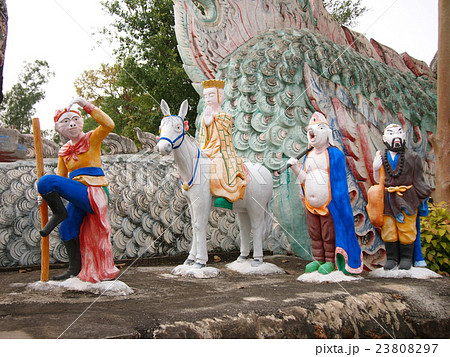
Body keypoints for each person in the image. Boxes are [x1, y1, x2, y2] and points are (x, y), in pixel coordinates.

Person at [37, 97, 119, 282]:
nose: (71, 124)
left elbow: (109, 124)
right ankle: (75, 270)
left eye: (75, 119)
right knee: (67, 229)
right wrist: (44, 196)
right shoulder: (64, 151)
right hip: (77, 195)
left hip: (93, 191)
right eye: (65, 122)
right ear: (59, 128)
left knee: (46, 181)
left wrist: (85, 105)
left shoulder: (92, 138)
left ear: (81, 121)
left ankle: (58, 214)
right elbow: (61, 179)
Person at [288, 112, 363, 275]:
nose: (312, 133)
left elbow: (338, 181)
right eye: (310, 130)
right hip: (311, 204)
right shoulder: (308, 155)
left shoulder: (334, 154)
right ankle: (318, 259)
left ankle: (330, 260)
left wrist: (333, 201)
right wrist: (295, 169)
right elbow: (304, 179)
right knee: (315, 233)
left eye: (318, 128)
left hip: (329, 204)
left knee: (328, 233)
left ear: (327, 133)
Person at [372, 124, 432, 270]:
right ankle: (392, 258)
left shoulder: (413, 157)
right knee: (389, 228)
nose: (396, 137)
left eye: (399, 133)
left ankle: (406, 258)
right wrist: (375, 168)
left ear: (403, 137)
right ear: (385, 138)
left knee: (407, 228)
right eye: (391, 134)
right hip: (387, 199)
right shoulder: (381, 157)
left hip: (407, 198)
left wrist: (422, 198)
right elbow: (377, 181)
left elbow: (419, 180)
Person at [198, 79, 246, 210]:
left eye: (211, 95)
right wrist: (207, 124)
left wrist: (211, 122)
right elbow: (204, 137)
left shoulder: (225, 116)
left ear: (220, 95)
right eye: (206, 96)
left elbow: (223, 136)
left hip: (222, 149)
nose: (208, 98)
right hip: (208, 148)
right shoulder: (205, 116)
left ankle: (224, 195)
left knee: (220, 164)